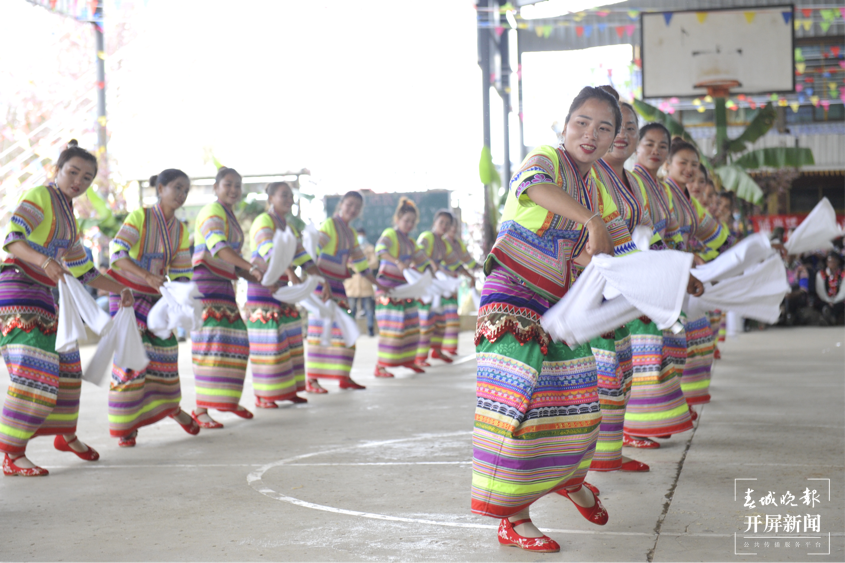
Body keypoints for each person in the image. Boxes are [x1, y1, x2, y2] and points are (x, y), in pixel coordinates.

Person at [473, 86, 629, 552]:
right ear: (565, 126)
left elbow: (620, 249)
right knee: (515, 402)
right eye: (582, 122)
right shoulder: (546, 159)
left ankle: (567, 479)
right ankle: (513, 519)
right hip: (512, 296)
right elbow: (531, 188)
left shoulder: (601, 186)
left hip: (562, 308)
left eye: (604, 128)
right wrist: (591, 222)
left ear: (613, 140)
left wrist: (668, 277)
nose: (591, 134)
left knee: (578, 403)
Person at [0, 140, 135, 476]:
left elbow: (85, 272)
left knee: (68, 370)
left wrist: (122, 288)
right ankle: (11, 452)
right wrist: (45, 260)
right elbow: (12, 239)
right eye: (72, 172)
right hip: (18, 291)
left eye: (87, 177)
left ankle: (66, 434)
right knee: (36, 371)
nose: (79, 181)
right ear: (56, 171)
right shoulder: (40, 197)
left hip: (47, 298)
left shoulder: (70, 219)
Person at [588, 94, 658, 474]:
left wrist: (657, 271)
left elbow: (640, 231)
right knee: (599, 374)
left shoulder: (631, 182)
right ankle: (584, 463)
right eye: (615, 126)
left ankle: (608, 454)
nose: (620, 134)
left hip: (619, 283)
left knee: (621, 369)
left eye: (628, 128)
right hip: (589, 286)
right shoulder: (584, 172)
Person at [105, 169, 200, 447]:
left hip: (156, 297)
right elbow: (117, 255)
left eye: (185, 190)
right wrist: (147, 276)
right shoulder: (140, 217)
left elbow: (182, 271)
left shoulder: (181, 229)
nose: (181, 195)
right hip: (126, 294)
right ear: (160, 189)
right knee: (132, 357)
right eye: (177, 188)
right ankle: (126, 425)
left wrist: (183, 296)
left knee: (167, 353)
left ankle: (171, 408)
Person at [623, 123, 694, 449]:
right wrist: (672, 264)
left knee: (668, 347)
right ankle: (634, 428)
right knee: (646, 351)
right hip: (644, 274)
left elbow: (672, 232)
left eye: (661, 146)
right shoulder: (633, 181)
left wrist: (685, 262)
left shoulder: (661, 188)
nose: (655, 150)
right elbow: (642, 232)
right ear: (637, 146)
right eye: (648, 144)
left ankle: (656, 417)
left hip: (665, 273)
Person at [190, 167, 262, 429]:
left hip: (223, 286)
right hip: (207, 286)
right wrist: (251, 268)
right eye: (228, 185)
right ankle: (201, 408)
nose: (233, 190)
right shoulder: (212, 211)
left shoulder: (227, 214)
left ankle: (227, 400)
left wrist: (261, 278)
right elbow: (218, 248)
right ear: (216, 188)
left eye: (237, 186)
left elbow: (233, 264)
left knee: (235, 343)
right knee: (212, 345)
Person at [663, 141, 730, 411]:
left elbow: (716, 237)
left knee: (688, 342)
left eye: (695, 166)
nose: (691, 172)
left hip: (685, 276)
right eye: (684, 163)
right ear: (667, 165)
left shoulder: (684, 199)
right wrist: (687, 255)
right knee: (672, 346)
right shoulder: (663, 193)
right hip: (668, 276)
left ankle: (679, 402)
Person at [246, 181, 325, 408]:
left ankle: (287, 390)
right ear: (270, 198)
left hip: (283, 290)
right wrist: (290, 271)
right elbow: (266, 249)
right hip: (263, 288)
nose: (289, 200)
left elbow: (303, 257)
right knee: (269, 342)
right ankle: (264, 395)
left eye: (291, 196)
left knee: (289, 339)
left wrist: (321, 279)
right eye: (284, 195)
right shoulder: (264, 221)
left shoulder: (287, 227)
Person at [305, 191, 385, 392]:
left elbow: (361, 263)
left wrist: (378, 284)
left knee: (345, 332)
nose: (352, 209)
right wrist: (320, 282)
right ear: (341, 204)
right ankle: (312, 380)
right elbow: (311, 254)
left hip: (339, 288)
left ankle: (343, 376)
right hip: (321, 286)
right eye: (349, 204)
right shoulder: (330, 225)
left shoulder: (349, 233)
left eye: (356, 207)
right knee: (319, 332)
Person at [373, 198, 432, 377]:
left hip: (406, 291)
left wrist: (430, 270)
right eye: (406, 220)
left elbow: (422, 260)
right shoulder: (390, 233)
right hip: (389, 289)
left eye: (412, 222)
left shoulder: (411, 243)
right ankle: (380, 366)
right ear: (398, 219)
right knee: (392, 329)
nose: (409, 224)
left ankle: (409, 360)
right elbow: (380, 249)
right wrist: (397, 261)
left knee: (412, 327)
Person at [415, 210, 465, 367]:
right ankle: (419, 358)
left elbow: (455, 263)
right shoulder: (426, 237)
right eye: (441, 222)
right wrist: (430, 262)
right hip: (423, 284)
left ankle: (436, 350)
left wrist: (469, 274)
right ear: (434, 222)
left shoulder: (443, 243)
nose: (444, 226)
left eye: (447, 224)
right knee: (426, 322)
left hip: (433, 285)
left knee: (440, 320)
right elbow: (418, 253)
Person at [442, 218, 477, 356]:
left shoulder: (457, 244)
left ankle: (450, 348)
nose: (453, 230)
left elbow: (467, 260)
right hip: (440, 284)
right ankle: (439, 349)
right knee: (441, 318)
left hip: (453, 283)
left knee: (452, 316)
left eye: (454, 227)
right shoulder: (442, 243)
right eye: (450, 226)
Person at [344, 228, 378, 337]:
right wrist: (354, 266)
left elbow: (375, 263)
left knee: (369, 309)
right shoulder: (349, 248)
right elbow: (344, 262)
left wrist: (362, 265)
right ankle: (351, 330)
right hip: (351, 284)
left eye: (362, 235)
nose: (360, 238)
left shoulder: (370, 248)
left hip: (365, 282)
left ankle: (370, 330)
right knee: (351, 309)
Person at [815, 251, 845, 325]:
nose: (831, 263)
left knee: (840, 305)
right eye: (829, 261)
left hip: (839, 300)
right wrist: (828, 300)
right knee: (822, 305)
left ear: (838, 262)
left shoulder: (843, 274)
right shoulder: (821, 274)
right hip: (825, 299)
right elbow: (820, 291)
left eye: (834, 261)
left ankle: (832, 318)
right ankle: (826, 315)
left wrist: (834, 301)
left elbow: (843, 291)